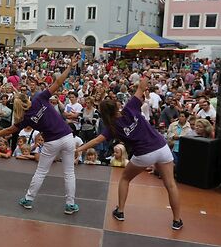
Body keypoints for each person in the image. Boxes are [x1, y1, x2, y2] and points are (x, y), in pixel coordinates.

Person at [76, 74, 183, 230]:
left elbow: (97, 140)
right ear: (116, 105)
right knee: (171, 185)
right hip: (162, 147)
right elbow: (142, 86)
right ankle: (177, 220)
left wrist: (79, 149)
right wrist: (146, 74)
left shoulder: (112, 127)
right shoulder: (130, 108)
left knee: (125, 178)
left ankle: (120, 211)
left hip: (144, 154)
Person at [0, 55, 80, 215]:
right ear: (26, 98)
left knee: (41, 172)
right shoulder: (40, 98)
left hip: (52, 142)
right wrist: (70, 67)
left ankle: (28, 199)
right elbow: (58, 83)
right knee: (69, 173)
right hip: (67, 136)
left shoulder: (25, 118)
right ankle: (70, 204)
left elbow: (8, 131)